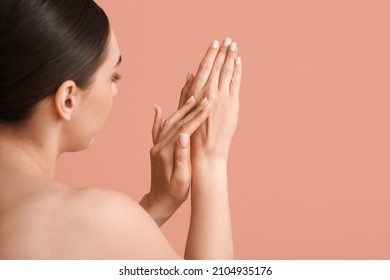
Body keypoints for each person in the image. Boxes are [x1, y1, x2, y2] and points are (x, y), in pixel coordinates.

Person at [0, 0, 242, 259]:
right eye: (113, 76)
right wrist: (210, 158)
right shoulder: (94, 217)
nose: (115, 90)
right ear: (68, 98)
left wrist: (154, 207)